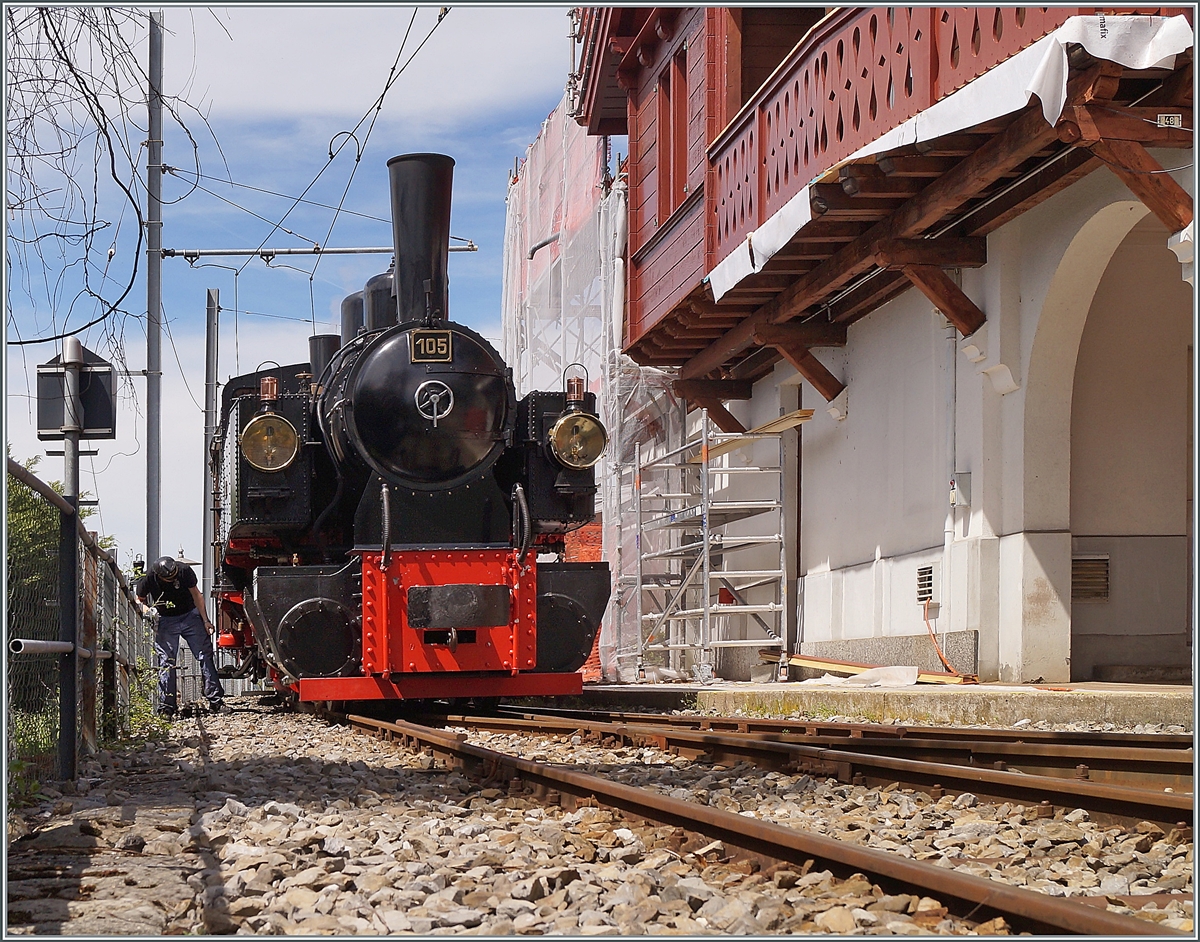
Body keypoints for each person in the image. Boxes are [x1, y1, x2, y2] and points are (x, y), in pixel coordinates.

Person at [136, 556, 226, 717]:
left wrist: (205, 620)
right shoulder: (149, 577)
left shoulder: (184, 570)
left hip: (190, 615)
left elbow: (197, 595)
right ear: (160, 576)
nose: (174, 579)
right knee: (166, 661)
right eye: (170, 578)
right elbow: (139, 600)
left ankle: (216, 701)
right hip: (165, 619)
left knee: (205, 655)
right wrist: (149, 612)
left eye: (175, 575)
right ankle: (166, 707)